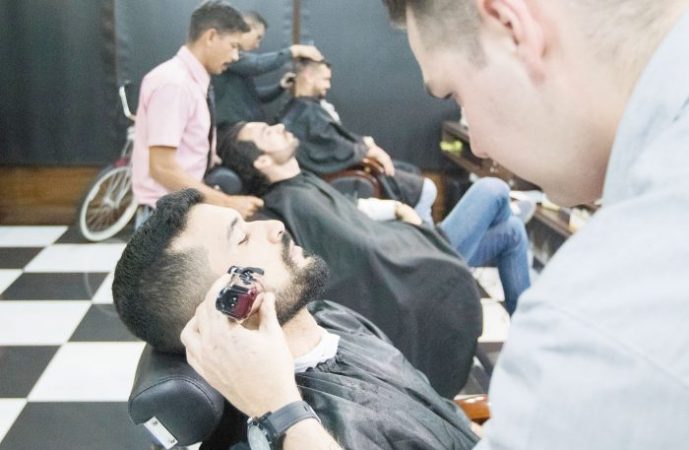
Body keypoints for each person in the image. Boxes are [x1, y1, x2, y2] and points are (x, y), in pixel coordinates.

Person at [183, 0, 689, 448]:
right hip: (396, 249)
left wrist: (280, 410)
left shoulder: (590, 324)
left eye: (454, 95)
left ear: (512, 28)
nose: (479, 143)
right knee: (495, 207)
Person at [112, 188, 479, 450]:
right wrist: (284, 414)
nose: (275, 226)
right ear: (225, 307)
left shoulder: (331, 316)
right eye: (242, 239)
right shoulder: (287, 434)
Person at [221, 121, 530, 318]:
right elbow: (364, 250)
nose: (279, 126)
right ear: (262, 160)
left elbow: (348, 212)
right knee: (493, 188)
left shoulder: (303, 185)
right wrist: (411, 235)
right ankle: (491, 291)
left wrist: (397, 210)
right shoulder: (292, 200)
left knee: (512, 232)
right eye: (268, 132)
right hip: (411, 267)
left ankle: (523, 330)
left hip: (409, 250)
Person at [131, 0, 263, 226]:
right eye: (233, 46)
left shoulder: (194, 81)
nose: (235, 57)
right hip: (164, 217)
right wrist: (227, 202)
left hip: (182, 207)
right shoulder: (174, 84)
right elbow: (162, 167)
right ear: (211, 37)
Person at [278, 58, 438, 223]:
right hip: (335, 178)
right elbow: (333, 146)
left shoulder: (301, 109)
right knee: (427, 189)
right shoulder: (305, 113)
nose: (328, 85)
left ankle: (420, 229)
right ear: (309, 76)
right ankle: (422, 230)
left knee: (410, 170)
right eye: (325, 79)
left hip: (340, 168)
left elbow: (331, 141)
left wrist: (364, 144)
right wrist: (367, 150)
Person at [212, 11, 323, 128]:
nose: (257, 45)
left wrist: (280, 87)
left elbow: (255, 97)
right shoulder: (227, 54)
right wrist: (293, 51)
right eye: (258, 37)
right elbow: (257, 65)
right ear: (245, 28)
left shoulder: (239, 66)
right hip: (232, 131)